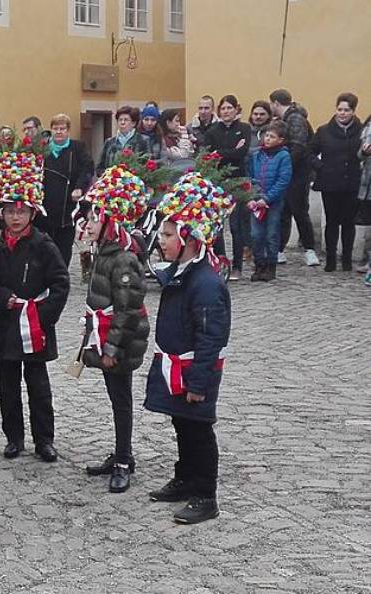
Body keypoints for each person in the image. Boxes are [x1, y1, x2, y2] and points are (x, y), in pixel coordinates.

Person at [146, 172, 233, 525]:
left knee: (198, 428)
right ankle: (184, 478)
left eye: (168, 235)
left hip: (196, 371)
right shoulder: (180, 272)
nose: (161, 240)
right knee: (181, 423)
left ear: (190, 240)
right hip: (176, 368)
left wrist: (199, 383)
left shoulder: (207, 284)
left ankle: (205, 493)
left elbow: (212, 337)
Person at [0, 150, 70, 463]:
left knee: (38, 385)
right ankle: (13, 438)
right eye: (9, 211)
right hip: (7, 324)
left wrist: (41, 316)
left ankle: (44, 439)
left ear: (32, 213)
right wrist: (1, 298)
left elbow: (61, 283)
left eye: (21, 212)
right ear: (3, 214)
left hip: (34, 327)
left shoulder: (44, 245)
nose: (15, 217)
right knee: (8, 385)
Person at [79, 166, 150, 493]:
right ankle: (123, 453)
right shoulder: (103, 252)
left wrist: (111, 349)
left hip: (120, 344)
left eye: (94, 218)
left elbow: (128, 308)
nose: (87, 224)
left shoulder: (123, 258)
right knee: (114, 397)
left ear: (110, 222)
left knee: (121, 401)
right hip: (107, 338)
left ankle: (123, 460)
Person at [309, 92, 363, 272]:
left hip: (353, 183)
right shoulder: (324, 131)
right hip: (330, 182)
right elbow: (309, 152)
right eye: (340, 109)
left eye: (346, 110)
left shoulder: (362, 131)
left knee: (348, 222)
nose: (342, 113)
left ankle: (346, 259)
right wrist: (320, 166)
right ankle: (330, 259)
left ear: (353, 111)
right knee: (332, 222)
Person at [203, 95, 252, 280]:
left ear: (236, 109)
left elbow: (242, 153)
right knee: (217, 226)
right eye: (223, 108)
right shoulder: (212, 131)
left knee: (237, 225)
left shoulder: (244, 129)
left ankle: (238, 266)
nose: (226, 112)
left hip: (238, 181)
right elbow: (209, 156)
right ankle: (221, 262)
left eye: (229, 108)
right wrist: (227, 152)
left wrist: (221, 153)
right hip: (218, 181)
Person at [270, 88, 320, 267]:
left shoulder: (295, 118)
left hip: (298, 173)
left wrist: (283, 166)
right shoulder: (285, 119)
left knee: (299, 211)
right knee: (284, 212)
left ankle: (309, 250)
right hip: (288, 173)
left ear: (276, 103)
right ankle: (280, 250)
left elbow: (298, 147)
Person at [42, 113, 94, 269]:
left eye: (62, 128)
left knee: (64, 247)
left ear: (68, 131)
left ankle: (61, 273)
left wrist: (79, 187)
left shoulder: (77, 148)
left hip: (68, 206)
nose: (59, 131)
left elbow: (87, 169)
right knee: (46, 246)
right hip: (47, 205)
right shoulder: (43, 149)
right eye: (55, 128)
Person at [247, 121, 292, 281]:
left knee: (272, 234)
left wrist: (267, 198)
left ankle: (270, 266)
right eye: (266, 135)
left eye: (272, 137)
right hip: (257, 201)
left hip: (274, 202)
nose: (267, 139)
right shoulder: (257, 155)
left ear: (281, 140)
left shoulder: (283, 156)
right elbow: (251, 177)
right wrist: (254, 196)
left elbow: (283, 180)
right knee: (256, 234)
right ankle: (259, 264)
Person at [96, 106, 149, 174]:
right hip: (113, 182)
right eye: (120, 120)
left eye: (126, 120)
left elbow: (147, 165)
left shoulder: (143, 141)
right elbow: (100, 167)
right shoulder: (109, 142)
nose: (122, 122)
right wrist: (108, 175)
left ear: (133, 123)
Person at [358, 115, 371, 277]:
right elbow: (359, 155)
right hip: (367, 183)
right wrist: (364, 151)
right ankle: (368, 260)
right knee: (368, 226)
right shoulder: (368, 127)